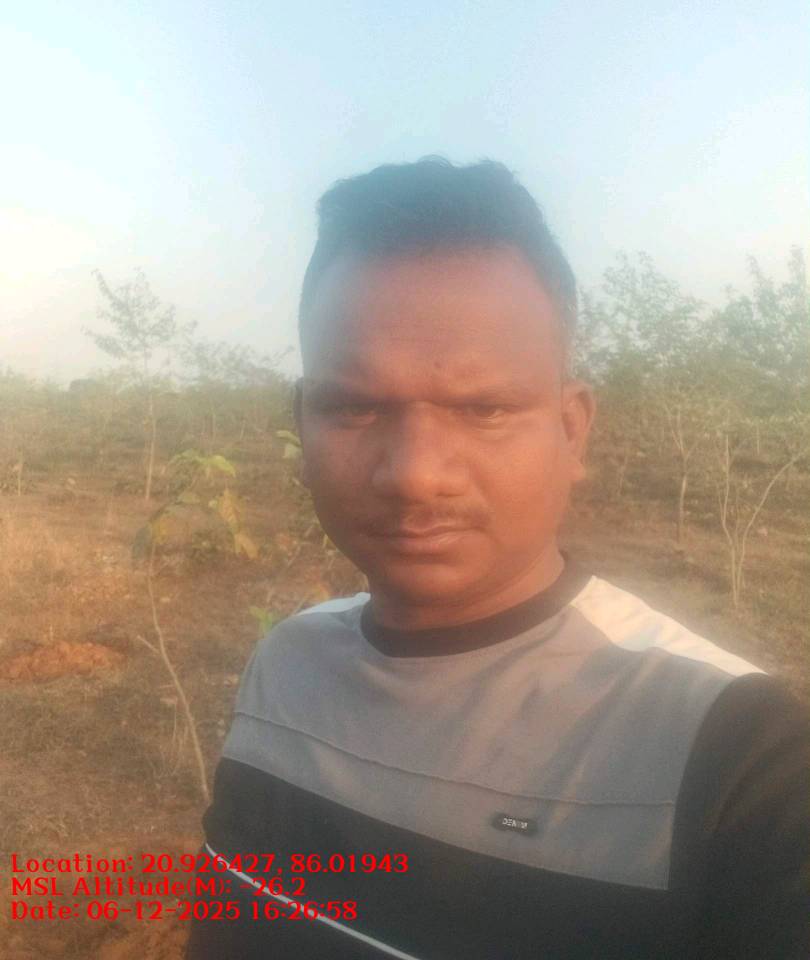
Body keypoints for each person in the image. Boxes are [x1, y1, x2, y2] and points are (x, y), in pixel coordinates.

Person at [185, 157, 810, 959]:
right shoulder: (287, 664)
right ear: (302, 425)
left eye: (483, 408)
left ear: (572, 430)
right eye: (355, 406)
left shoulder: (738, 753)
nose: (415, 473)